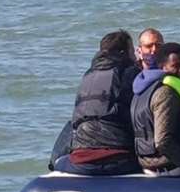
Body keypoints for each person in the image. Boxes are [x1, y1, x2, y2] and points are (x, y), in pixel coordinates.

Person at [53, 29, 141, 175]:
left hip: (81, 160)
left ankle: (53, 171)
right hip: (119, 158)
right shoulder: (129, 73)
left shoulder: (88, 75)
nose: (134, 56)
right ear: (122, 53)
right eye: (132, 51)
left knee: (73, 124)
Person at [131, 42, 180, 192]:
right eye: (175, 65)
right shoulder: (167, 93)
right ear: (162, 67)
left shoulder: (142, 88)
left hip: (146, 162)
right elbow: (163, 142)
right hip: (168, 166)